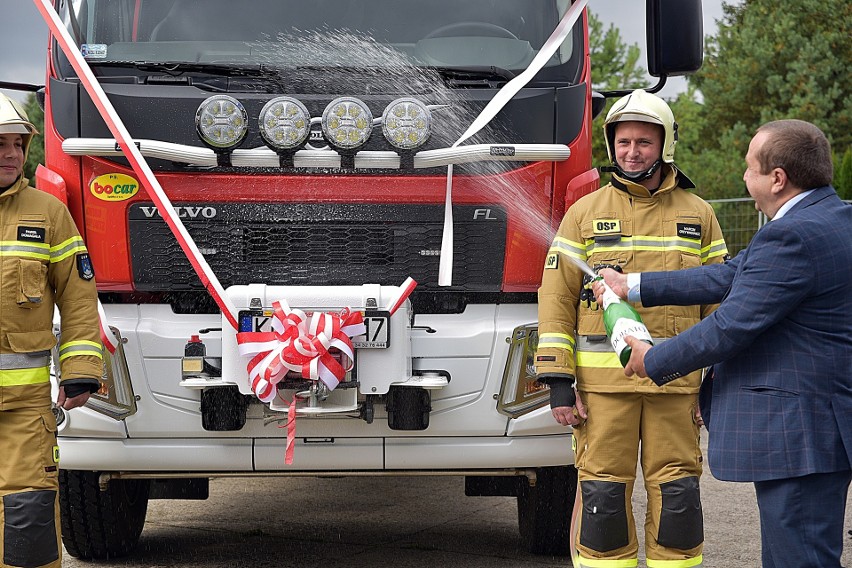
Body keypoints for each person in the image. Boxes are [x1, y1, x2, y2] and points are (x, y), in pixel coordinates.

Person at [596, 119, 852, 568]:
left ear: (777, 178)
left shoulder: (793, 235)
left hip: (800, 434)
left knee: (800, 556)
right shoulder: (826, 218)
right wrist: (630, 285)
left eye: (749, 168)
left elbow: (731, 325)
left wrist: (654, 359)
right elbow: (730, 275)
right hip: (819, 426)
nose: (743, 178)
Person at [535, 89, 728, 567]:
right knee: (602, 497)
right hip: (604, 389)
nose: (632, 151)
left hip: (678, 386)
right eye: (623, 142)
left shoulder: (698, 213)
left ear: (665, 146)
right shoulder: (584, 212)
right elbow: (556, 297)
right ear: (611, 145)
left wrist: (716, 383)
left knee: (679, 496)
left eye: (644, 141)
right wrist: (559, 383)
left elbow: (722, 304)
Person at [0, 92, 103, 568]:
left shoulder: (47, 213)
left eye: (18, 144)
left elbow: (78, 295)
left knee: (28, 518)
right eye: (0, 143)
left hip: (24, 409)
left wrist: (81, 367)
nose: (11, 154)